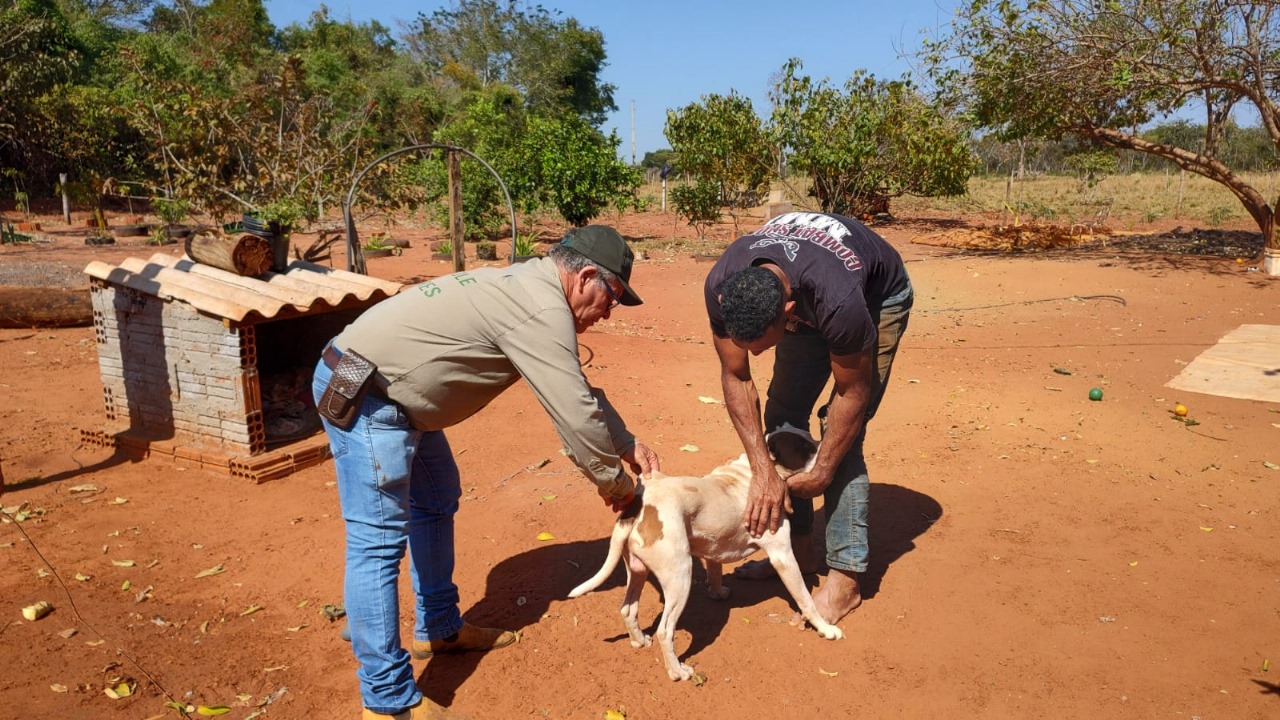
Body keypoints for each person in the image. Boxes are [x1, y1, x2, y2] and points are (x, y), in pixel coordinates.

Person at [312, 225, 661, 720]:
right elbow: (575, 417)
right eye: (614, 297)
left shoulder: (533, 289)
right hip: (367, 391)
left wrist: (625, 442)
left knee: (436, 499)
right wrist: (619, 487)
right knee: (377, 541)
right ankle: (387, 703)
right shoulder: (541, 308)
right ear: (586, 277)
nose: (609, 312)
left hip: (396, 391)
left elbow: (576, 389)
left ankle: (439, 627)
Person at [702, 210, 912, 626]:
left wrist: (824, 469)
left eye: (762, 345)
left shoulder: (838, 303)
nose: (756, 355)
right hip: (809, 292)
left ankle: (846, 577)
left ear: (790, 314)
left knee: (840, 435)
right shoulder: (722, 284)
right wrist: (762, 467)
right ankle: (797, 552)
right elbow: (737, 375)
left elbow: (852, 392)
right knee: (782, 416)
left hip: (875, 295)